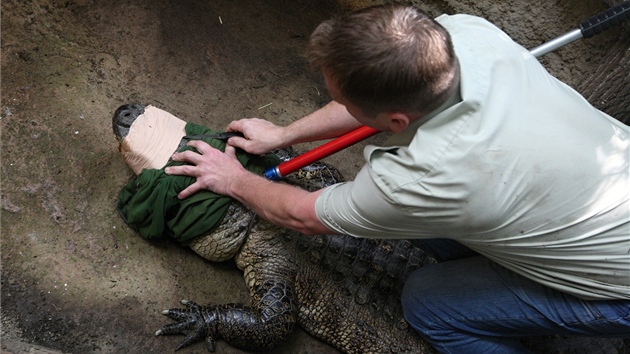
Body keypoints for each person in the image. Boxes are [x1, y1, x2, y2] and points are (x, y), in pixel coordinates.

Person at [164, 4, 630, 353]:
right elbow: (376, 96)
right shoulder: (461, 33)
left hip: (618, 287)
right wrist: (284, 134)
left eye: (346, 104)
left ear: (397, 121)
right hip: (597, 191)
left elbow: (303, 215)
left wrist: (232, 179)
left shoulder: (416, 179)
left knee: (427, 304)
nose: (342, 108)